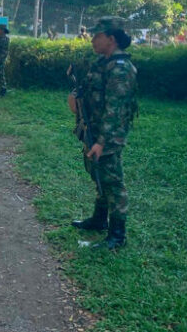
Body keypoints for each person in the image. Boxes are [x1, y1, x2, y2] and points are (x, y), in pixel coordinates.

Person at [68, 17, 137, 250]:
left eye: (97, 35)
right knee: (97, 175)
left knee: (113, 183)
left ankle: (117, 236)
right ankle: (99, 220)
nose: (92, 39)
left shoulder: (120, 69)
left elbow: (114, 111)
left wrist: (102, 142)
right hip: (93, 130)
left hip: (107, 135)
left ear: (111, 38)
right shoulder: (101, 63)